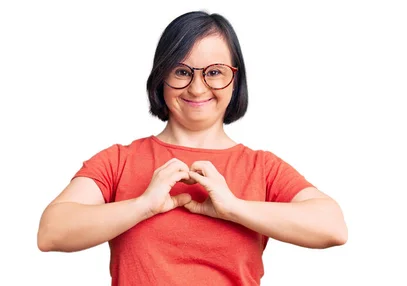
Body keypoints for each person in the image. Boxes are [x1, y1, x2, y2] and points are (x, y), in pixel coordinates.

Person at [36, 10, 347, 286]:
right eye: (182, 71)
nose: (197, 88)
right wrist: (142, 205)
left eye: (214, 72)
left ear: (235, 80)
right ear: (161, 78)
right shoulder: (119, 161)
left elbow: (333, 227)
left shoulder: (262, 167)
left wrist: (234, 207)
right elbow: (51, 232)